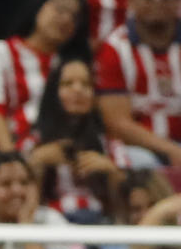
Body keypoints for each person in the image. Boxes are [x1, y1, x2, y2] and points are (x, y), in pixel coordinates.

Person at [0, 0, 88, 151]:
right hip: (13, 146)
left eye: (74, 16)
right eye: (60, 9)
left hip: (63, 146)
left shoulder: (73, 63)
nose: (66, 19)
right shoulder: (1, 52)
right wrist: (11, 158)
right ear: (38, 7)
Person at [96, 0, 181, 165]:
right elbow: (116, 123)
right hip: (139, 152)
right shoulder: (115, 48)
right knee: (139, 162)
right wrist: (172, 150)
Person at [27, 55, 125, 218]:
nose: (78, 90)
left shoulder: (109, 143)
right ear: (53, 92)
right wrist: (36, 164)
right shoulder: (33, 141)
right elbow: (20, 202)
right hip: (50, 225)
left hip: (101, 225)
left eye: (86, 84)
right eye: (68, 84)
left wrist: (112, 173)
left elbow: (131, 202)